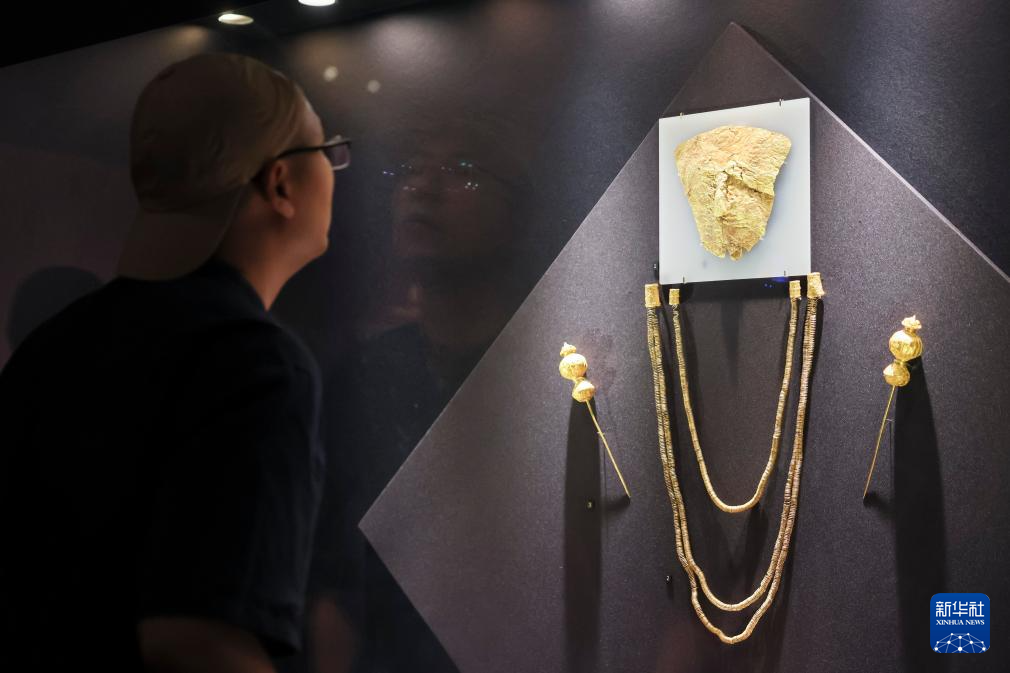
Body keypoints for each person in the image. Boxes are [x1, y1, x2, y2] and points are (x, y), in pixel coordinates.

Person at [0, 52, 349, 672]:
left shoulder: (53, 343)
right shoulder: (254, 362)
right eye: (326, 150)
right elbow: (197, 642)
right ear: (280, 184)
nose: (334, 167)